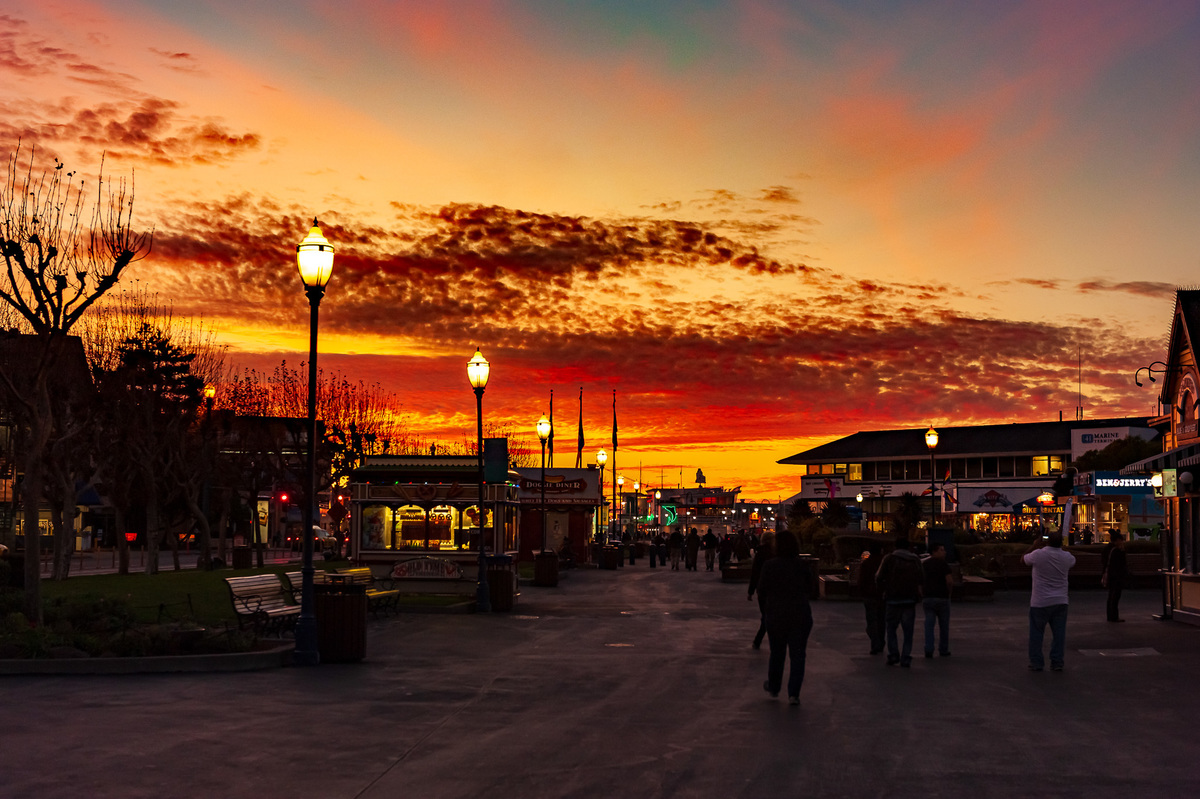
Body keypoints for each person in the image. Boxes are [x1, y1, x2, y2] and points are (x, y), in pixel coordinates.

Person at [756, 529, 814, 705]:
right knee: (797, 655)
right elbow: (812, 589)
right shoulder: (802, 565)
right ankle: (794, 693)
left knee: (777, 652)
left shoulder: (770, 566)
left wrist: (765, 610)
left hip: (776, 614)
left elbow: (762, 590)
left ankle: (774, 687)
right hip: (799, 614)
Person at [1023, 532, 1076, 671]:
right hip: (1061, 600)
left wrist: (1034, 546)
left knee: (1036, 633)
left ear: (1047, 542)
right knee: (1059, 634)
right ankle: (1057, 661)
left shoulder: (1038, 554)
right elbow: (1072, 560)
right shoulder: (1067, 557)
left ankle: (1036, 662)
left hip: (1040, 600)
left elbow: (1023, 560)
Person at [875, 537, 924, 667]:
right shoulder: (915, 559)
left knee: (891, 629)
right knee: (908, 631)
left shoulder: (889, 559)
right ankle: (906, 656)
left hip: (892, 598)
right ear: (908, 547)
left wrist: (884, 589)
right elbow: (921, 577)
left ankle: (893, 654)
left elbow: (879, 577)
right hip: (910, 599)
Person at [922, 543, 953, 658]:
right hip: (942, 597)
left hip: (928, 597)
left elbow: (920, 580)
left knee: (929, 624)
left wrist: (922, 593)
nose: (944, 552)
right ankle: (943, 649)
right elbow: (949, 581)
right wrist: (949, 593)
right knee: (944, 625)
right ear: (934, 552)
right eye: (941, 550)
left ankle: (929, 648)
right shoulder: (944, 565)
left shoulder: (925, 564)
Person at [747, 532, 776, 650]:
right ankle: (765, 641)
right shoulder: (775, 554)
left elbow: (754, 574)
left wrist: (751, 591)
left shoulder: (760, 554)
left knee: (766, 616)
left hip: (762, 590)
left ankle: (758, 641)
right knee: (769, 616)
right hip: (774, 590)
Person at [858, 546, 885, 655]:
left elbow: (861, 580)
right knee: (881, 620)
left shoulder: (866, 564)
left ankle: (875, 642)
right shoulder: (884, 563)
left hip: (869, 595)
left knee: (871, 620)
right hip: (881, 595)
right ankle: (881, 641)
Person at [1101, 532, 1129, 622]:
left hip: (1110, 575)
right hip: (1116, 576)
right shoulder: (1117, 551)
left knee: (1111, 596)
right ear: (1117, 540)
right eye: (1121, 540)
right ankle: (1114, 616)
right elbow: (1121, 563)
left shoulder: (1107, 549)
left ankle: (1110, 615)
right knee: (1115, 596)